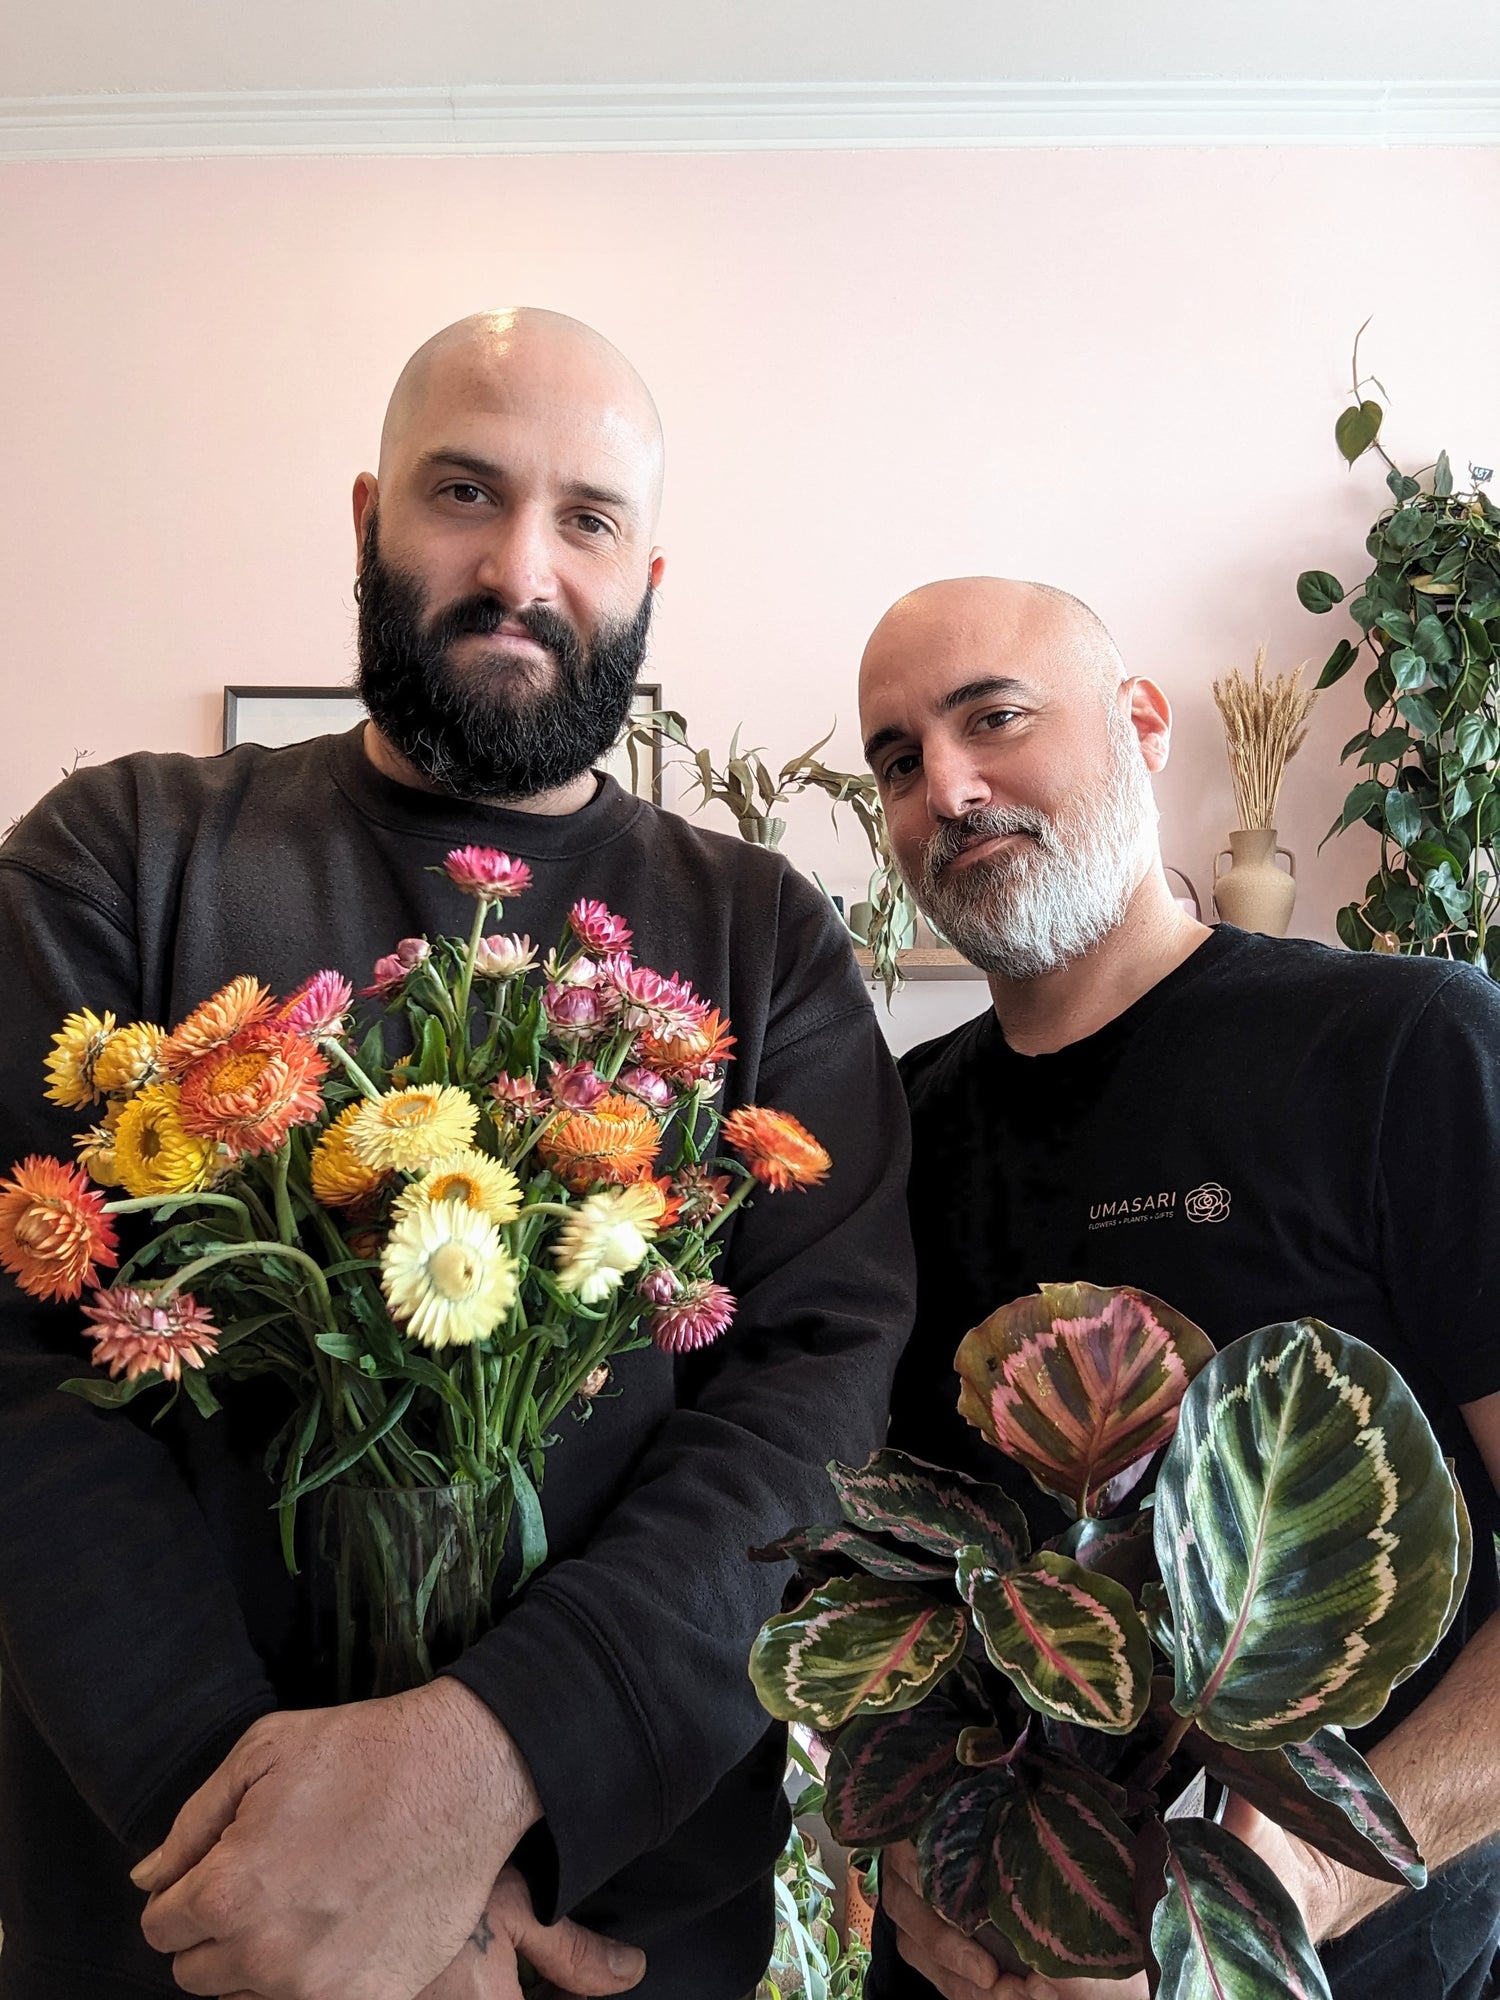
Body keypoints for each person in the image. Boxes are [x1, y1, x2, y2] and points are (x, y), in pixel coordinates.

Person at [0, 309, 916, 2000]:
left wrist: (494, 1782)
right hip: (178, 1917)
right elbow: (25, 1372)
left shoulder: (763, 937)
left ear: (650, 575)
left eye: (587, 520)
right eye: (463, 492)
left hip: (605, 1931)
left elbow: (816, 1399)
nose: (519, 568)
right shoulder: (116, 860)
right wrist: (291, 1879)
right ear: (365, 518)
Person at [854, 577, 1500, 2000]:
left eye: (993, 719)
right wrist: (912, 1868)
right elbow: (875, 1600)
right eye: (898, 759)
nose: (947, 789)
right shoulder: (886, 1144)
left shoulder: (1403, 1052)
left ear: (1143, 724)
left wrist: (1278, 1898)